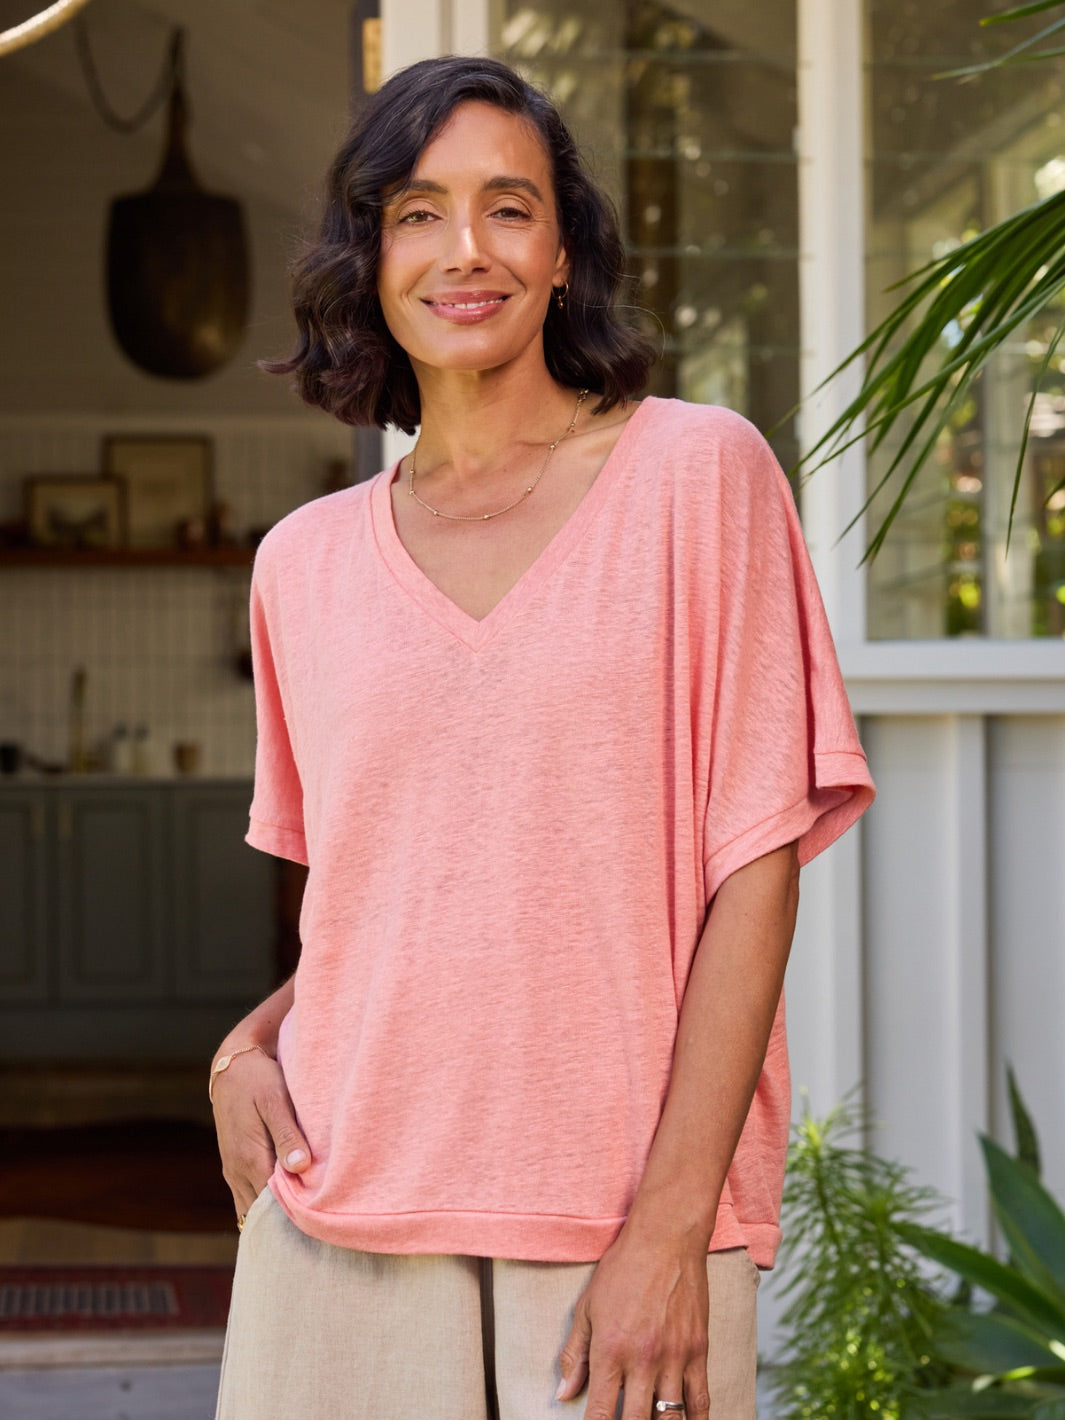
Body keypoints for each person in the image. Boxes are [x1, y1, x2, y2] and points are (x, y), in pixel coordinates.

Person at [210, 54, 874, 1420]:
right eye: (416, 212)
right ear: (367, 256)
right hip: (340, 1206)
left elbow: (751, 872)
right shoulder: (303, 565)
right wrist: (246, 1048)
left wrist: (668, 1232)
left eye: (507, 208)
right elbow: (385, 909)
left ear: (564, 252)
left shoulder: (698, 480)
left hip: (615, 1218)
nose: (466, 251)